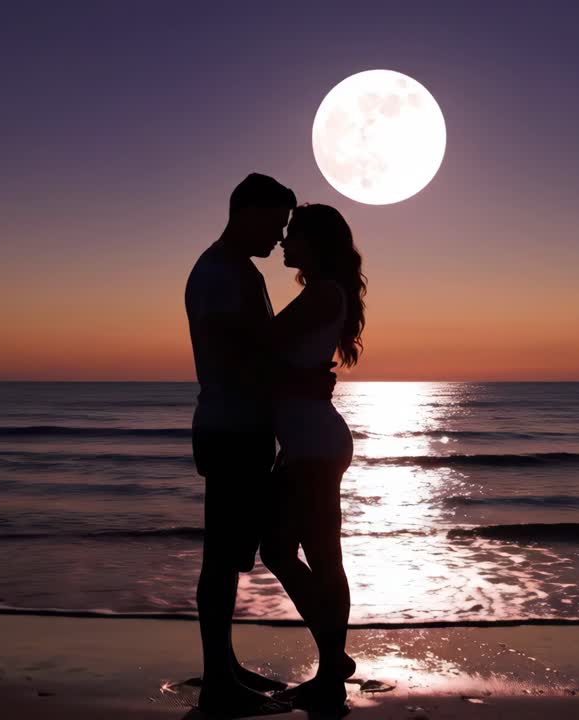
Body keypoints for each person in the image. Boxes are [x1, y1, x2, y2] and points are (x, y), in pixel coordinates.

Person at [184, 173, 334, 715]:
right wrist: (299, 384)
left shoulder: (235, 271)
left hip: (238, 428)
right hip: (231, 429)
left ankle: (222, 667)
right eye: (276, 221)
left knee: (227, 556)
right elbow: (234, 356)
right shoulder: (224, 274)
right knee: (222, 559)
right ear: (247, 212)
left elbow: (250, 352)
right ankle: (219, 683)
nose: (280, 236)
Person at [260, 203, 366, 712]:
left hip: (315, 446)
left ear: (315, 243)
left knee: (322, 557)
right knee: (280, 551)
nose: (284, 242)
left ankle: (330, 671)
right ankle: (334, 655)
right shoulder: (319, 293)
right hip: (303, 444)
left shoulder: (323, 294)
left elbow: (263, 346)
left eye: (294, 235)